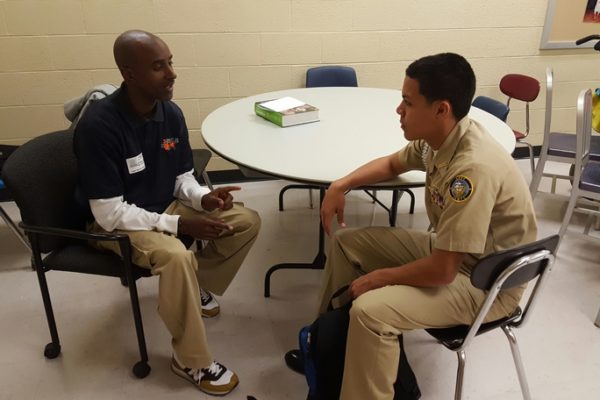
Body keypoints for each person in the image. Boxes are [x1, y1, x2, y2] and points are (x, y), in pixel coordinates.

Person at [286, 53, 537, 400]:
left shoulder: (472, 169)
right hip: (458, 256)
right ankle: (326, 346)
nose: (398, 110)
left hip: (486, 284)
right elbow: (392, 162)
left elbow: (443, 271)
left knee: (371, 311)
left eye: (407, 102)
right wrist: (340, 185)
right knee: (348, 243)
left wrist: (378, 278)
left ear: (441, 109)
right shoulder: (442, 138)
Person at [73, 30, 261, 396]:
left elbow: (182, 177)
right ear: (129, 74)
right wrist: (178, 223)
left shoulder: (169, 113)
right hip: (116, 223)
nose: (172, 73)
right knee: (176, 256)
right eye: (159, 67)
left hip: (162, 206)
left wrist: (203, 198)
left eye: (170, 62)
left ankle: (193, 288)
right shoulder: (100, 127)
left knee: (245, 221)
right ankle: (191, 360)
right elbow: (109, 213)